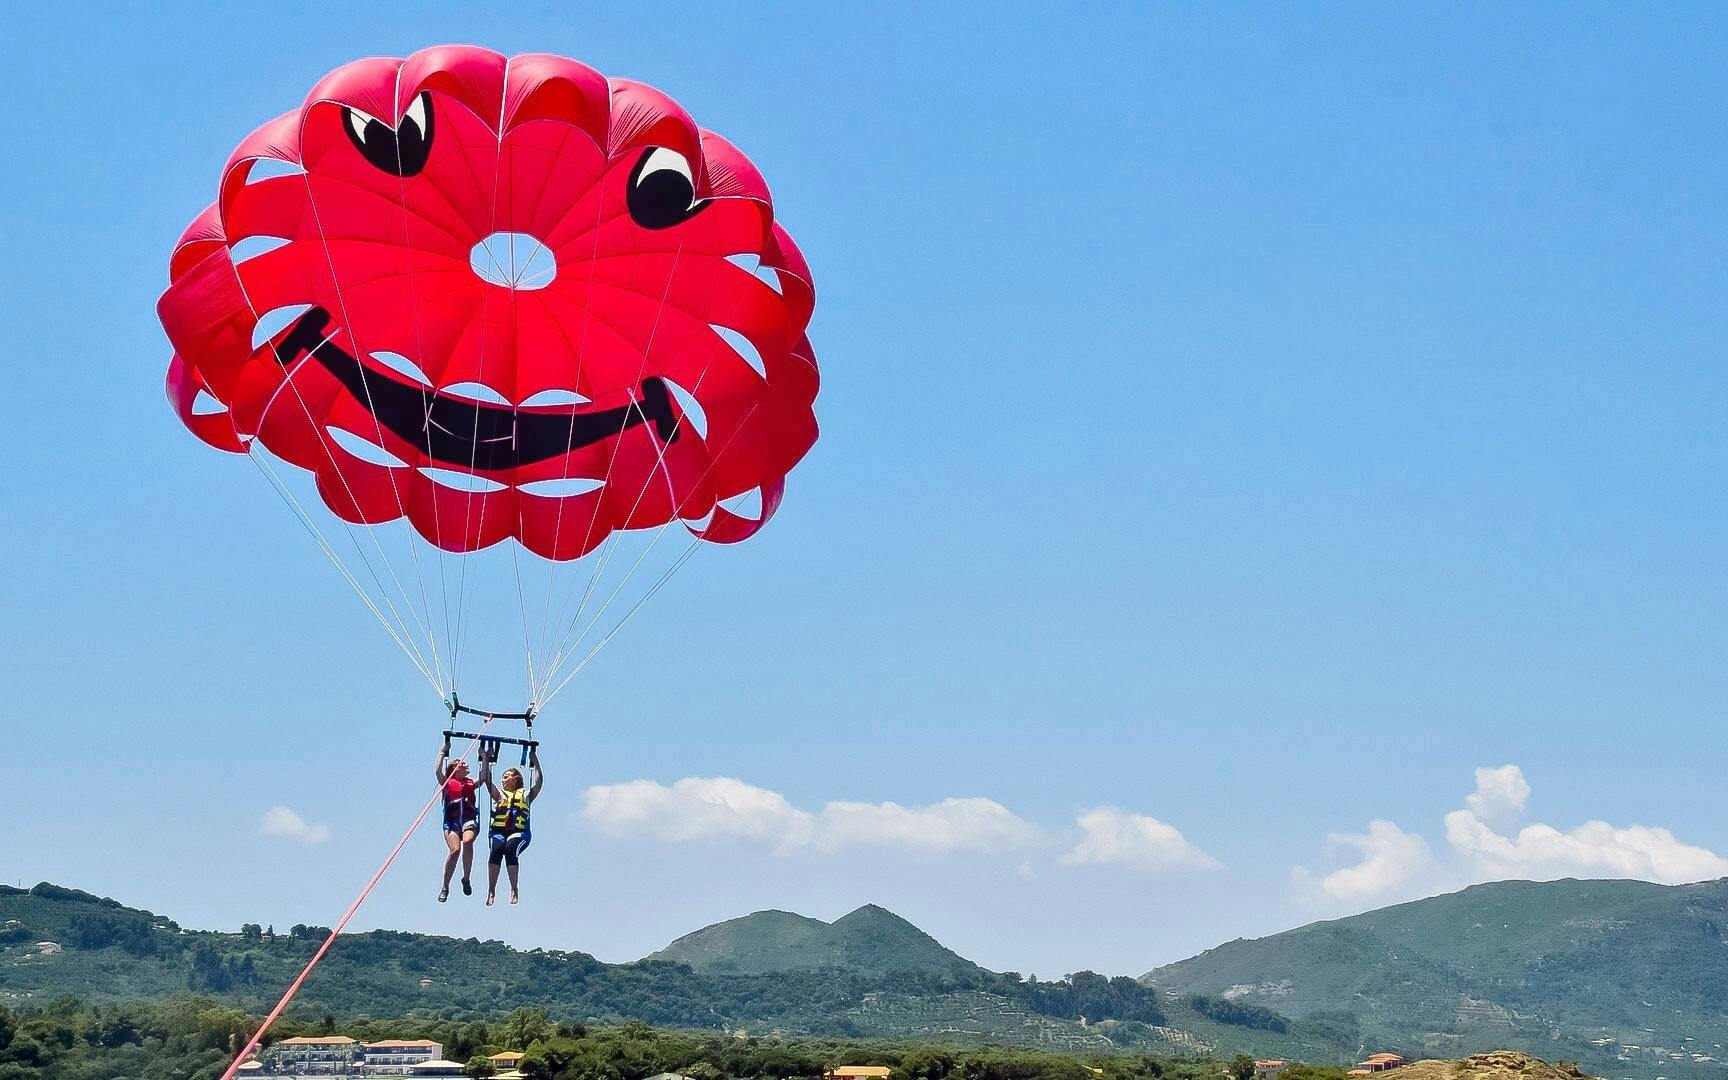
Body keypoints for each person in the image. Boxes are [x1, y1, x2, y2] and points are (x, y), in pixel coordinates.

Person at [479, 748, 542, 906]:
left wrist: (535, 762)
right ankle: (491, 889)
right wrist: (486, 758)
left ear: (516, 778)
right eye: (502, 777)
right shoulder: (499, 795)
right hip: (498, 832)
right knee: (496, 850)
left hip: (519, 833)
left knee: (510, 849)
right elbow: (487, 780)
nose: (503, 780)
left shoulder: (526, 795)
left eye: (506, 777)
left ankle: (514, 888)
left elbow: (539, 782)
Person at [435, 739, 479, 903]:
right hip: (452, 823)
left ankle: (466, 878)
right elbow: (438, 772)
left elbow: (484, 777)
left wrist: (486, 757)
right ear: (455, 769)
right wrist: (442, 751)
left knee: (468, 842)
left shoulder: (471, 783)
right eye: (462, 763)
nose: (466, 764)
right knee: (455, 850)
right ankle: (445, 886)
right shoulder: (447, 782)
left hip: (468, 820)